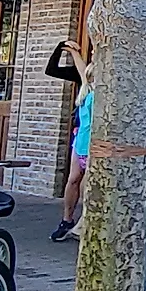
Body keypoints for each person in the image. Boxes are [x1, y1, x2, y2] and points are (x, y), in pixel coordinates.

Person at [54, 64, 93, 242]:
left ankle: (86, 222)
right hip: (80, 144)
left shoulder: (103, 96)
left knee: (88, 186)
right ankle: (67, 219)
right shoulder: (85, 92)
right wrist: (71, 50)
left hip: (93, 145)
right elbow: (82, 70)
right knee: (73, 179)